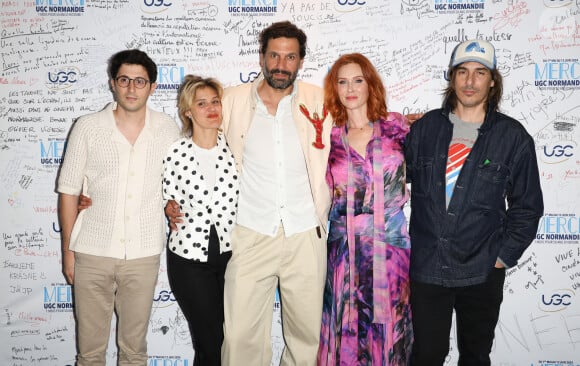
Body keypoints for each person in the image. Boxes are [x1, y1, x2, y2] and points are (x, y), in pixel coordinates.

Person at [165, 21, 332, 365]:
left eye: (290, 57)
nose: (281, 64)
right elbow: (192, 136)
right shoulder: (231, 100)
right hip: (250, 233)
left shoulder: (322, 100)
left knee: (306, 338)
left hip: (305, 234)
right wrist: (166, 198)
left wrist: (409, 123)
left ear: (300, 61)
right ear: (262, 57)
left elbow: (363, 119)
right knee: (240, 339)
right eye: (274, 55)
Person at [404, 39, 544, 365]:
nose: (470, 81)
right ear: (451, 78)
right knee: (425, 356)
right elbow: (391, 180)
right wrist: (389, 128)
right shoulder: (425, 129)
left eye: (480, 73)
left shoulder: (513, 138)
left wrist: (500, 258)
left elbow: (527, 207)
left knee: (476, 357)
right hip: (427, 267)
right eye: (463, 72)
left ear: (492, 80)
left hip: (482, 269)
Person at [57, 49, 180, 365]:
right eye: (124, 79)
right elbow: (69, 192)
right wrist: (69, 252)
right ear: (113, 83)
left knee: (134, 351)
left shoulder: (168, 129)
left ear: (153, 87)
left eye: (140, 81)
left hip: (142, 255)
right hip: (92, 253)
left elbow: (178, 185)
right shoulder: (87, 126)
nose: (131, 88)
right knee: (90, 352)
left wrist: (171, 206)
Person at [317, 53, 413, 365]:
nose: (350, 88)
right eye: (342, 82)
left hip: (391, 249)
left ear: (370, 84)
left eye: (358, 80)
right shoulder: (328, 136)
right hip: (344, 250)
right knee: (345, 329)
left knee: (387, 332)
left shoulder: (395, 127)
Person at [162, 75, 238, 366]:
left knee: (233, 340)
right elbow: (161, 194)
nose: (211, 108)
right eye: (202, 103)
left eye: (215, 101)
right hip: (189, 259)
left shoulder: (235, 148)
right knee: (209, 343)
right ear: (188, 112)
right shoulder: (174, 152)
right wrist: (167, 207)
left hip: (235, 257)